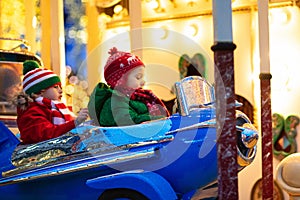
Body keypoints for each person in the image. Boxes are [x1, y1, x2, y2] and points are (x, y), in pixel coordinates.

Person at [88, 47, 170, 127]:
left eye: (143, 77)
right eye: (138, 77)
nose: (143, 82)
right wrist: (158, 118)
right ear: (120, 80)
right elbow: (129, 121)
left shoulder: (136, 97)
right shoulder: (115, 101)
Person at [16, 60, 89, 144]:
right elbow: (47, 134)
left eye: (60, 87)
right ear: (40, 91)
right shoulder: (31, 113)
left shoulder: (54, 108)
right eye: (55, 87)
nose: (60, 91)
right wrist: (75, 122)